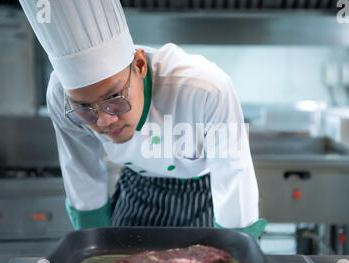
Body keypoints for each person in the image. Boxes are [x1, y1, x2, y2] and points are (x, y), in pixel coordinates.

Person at [19, 0, 266, 239]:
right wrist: (92, 247)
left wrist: (237, 252)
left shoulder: (205, 89)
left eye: (114, 98)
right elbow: (81, 169)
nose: (104, 122)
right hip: (137, 187)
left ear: (139, 65)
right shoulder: (61, 96)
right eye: (85, 108)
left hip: (205, 193)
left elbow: (233, 174)